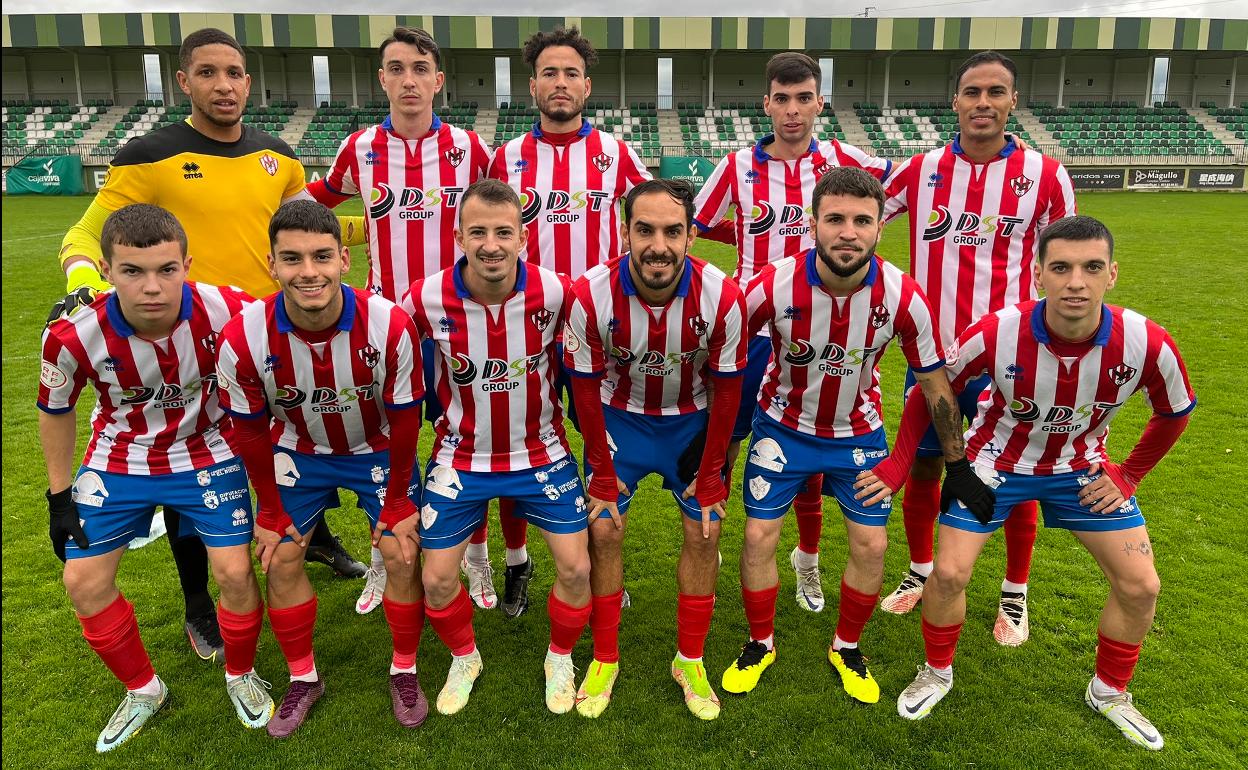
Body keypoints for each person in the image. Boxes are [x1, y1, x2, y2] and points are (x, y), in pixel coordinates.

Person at [51, 27, 367, 662]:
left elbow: (309, 228)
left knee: (297, 438)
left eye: (234, 73)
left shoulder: (278, 154)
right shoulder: (148, 154)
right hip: (191, 341)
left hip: (270, 334)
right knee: (190, 467)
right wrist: (85, 283)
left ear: (249, 81)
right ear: (183, 82)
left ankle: (319, 535)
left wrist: (379, 224)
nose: (223, 86)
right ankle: (199, 602)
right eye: (208, 73)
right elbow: (85, 235)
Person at [882, 216, 1193, 752]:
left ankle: (1110, 692)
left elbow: (1174, 412)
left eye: (1092, 267)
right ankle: (936, 671)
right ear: (1037, 275)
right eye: (1062, 268)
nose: (1077, 281)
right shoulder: (997, 331)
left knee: (1142, 585)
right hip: (994, 465)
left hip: (1081, 471)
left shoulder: (1146, 341)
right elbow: (928, 393)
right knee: (950, 574)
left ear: (1112, 274)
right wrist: (900, 465)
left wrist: (1128, 473)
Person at [720, 167, 992, 704]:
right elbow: (721, 356)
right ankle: (760, 642)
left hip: (857, 434)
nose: (848, 232)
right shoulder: (770, 285)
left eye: (862, 221)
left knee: (871, 544)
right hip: (782, 428)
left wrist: (953, 466)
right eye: (836, 219)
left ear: (878, 228)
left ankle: (846, 647)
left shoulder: (903, 296)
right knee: (757, 538)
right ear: (812, 224)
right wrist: (710, 441)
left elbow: (935, 388)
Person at [40, 204, 274, 751]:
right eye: (132, 271)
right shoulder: (72, 335)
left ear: (187, 264)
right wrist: (58, 496)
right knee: (83, 582)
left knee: (235, 573)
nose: (152, 287)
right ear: (105, 269)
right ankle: (143, 689)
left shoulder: (230, 309)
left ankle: (240, 672)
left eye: (167, 269)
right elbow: (56, 410)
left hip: (209, 450)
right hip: (120, 458)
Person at [878, 51, 1077, 647]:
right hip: (931, 358)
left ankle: (1015, 594)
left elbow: (1065, 263)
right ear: (955, 101)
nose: (983, 103)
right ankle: (919, 572)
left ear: (1013, 101)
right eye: (972, 92)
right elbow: (859, 221)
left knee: (1013, 473)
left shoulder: (1044, 175)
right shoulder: (920, 170)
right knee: (924, 466)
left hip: (1011, 358)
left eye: (996, 92)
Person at [215, 200, 426, 736]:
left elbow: (405, 423)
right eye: (292, 259)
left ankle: (405, 668)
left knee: (403, 554)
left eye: (321, 256)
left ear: (343, 261)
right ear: (271, 264)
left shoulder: (389, 324)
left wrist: (400, 500)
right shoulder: (244, 335)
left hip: (375, 448)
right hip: (297, 451)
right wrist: (268, 506)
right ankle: (303, 677)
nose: (308, 272)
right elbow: (248, 429)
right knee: (281, 560)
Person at [692, 53, 892, 613]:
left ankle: (806, 559)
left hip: (829, 323)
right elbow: (701, 220)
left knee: (815, 437)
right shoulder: (736, 164)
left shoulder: (845, 160)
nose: (792, 110)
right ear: (766, 104)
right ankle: (717, 540)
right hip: (753, 327)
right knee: (731, 440)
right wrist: (749, 239)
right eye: (781, 99)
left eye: (804, 98)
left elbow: (890, 199)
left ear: (819, 103)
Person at [305, 26, 494, 616]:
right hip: (387, 327)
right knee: (387, 445)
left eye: (419, 68)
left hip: (461, 322)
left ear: (438, 80)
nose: (408, 79)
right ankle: (386, 562)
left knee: (472, 439)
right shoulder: (358, 148)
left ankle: (478, 558)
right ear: (381, 79)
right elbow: (315, 201)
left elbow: (501, 221)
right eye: (396, 68)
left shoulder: (470, 147)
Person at [400, 179, 591, 716]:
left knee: (577, 571)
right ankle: (465, 656)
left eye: (503, 231)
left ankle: (559, 656)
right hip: (460, 457)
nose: (491, 244)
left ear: (523, 238)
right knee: (436, 580)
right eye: (478, 231)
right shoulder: (424, 297)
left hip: (542, 452)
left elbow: (591, 357)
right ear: (458, 236)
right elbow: (382, 344)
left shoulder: (557, 293)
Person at [564, 179, 746, 720]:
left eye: (673, 231)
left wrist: (713, 469)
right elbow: (584, 389)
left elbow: (729, 391)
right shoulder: (590, 293)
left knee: (704, 527)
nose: (658, 245)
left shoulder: (722, 295)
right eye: (644, 230)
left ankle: (689, 659)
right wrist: (599, 468)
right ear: (625, 232)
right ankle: (604, 657)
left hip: (691, 423)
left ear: (692, 234)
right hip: (621, 420)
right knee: (603, 526)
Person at [488, 26, 653, 618]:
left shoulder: (614, 153)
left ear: (588, 85)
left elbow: (653, 220)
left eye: (571, 74)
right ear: (532, 85)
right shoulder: (505, 158)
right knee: (511, 439)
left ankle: (597, 563)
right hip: (521, 328)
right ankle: (515, 562)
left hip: (600, 331)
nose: (560, 83)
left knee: (597, 447)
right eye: (549, 74)